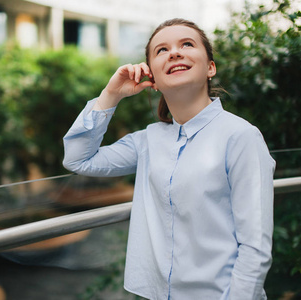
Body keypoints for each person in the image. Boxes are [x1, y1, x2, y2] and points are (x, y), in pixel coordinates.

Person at [63, 18, 275, 300]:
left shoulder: (241, 137)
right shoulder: (148, 140)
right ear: (153, 79)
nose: (175, 52)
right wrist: (111, 94)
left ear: (210, 67)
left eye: (187, 44)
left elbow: (255, 246)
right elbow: (78, 159)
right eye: (162, 50)